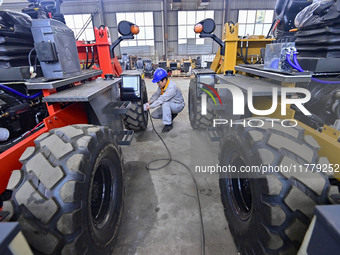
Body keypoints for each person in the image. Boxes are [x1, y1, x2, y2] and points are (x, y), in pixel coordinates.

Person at [145, 68, 185, 133]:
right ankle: (171, 115)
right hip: (170, 104)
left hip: (178, 105)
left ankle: (168, 125)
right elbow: (157, 94)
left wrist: (150, 106)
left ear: (164, 80)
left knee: (165, 103)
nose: (158, 84)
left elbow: (162, 99)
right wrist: (149, 102)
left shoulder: (172, 87)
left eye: (158, 82)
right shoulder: (162, 86)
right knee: (154, 115)